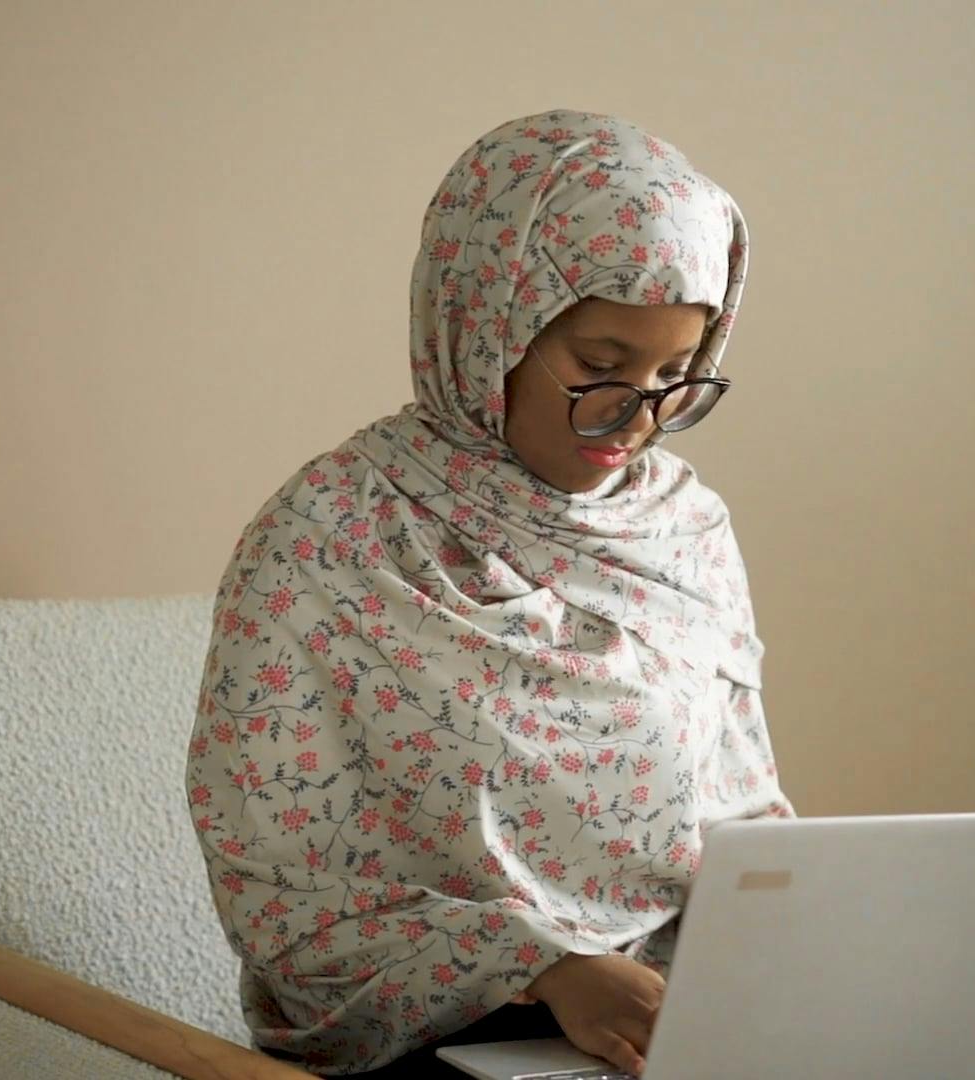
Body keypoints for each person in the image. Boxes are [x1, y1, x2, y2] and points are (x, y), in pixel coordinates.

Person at [186, 108, 794, 1078]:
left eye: (676, 376)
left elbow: (740, 816)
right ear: (487, 318)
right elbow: (279, 894)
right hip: (447, 1042)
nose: (634, 419)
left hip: (682, 1028)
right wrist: (543, 968)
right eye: (600, 368)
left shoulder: (684, 529)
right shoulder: (331, 535)